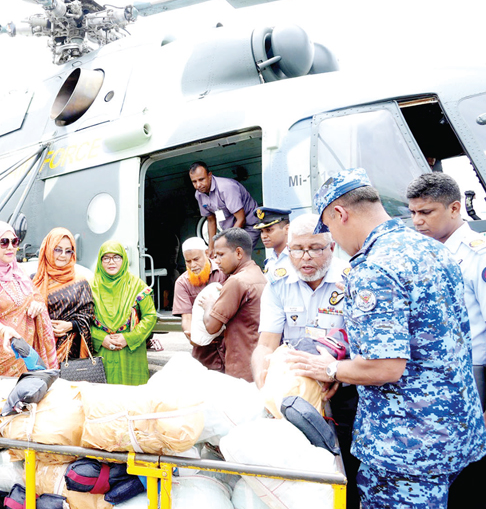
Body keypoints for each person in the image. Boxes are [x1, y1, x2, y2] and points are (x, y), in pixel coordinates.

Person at [288, 168, 486, 507]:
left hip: (405, 445)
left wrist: (331, 370)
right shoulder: (434, 249)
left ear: (340, 213)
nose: (334, 239)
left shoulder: (374, 269)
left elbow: (385, 367)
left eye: (330, 227)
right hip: (454, 430)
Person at [251, 213, 359, 508]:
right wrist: (264, 374)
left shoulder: (352, 280)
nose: (305, 257)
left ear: (332, 247)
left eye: (315, 248)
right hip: (295, 393)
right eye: (297, 249)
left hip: (344, 389)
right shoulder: (278, 283)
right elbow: (266, 344)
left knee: (347, 468)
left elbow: (364, 346)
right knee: (300, 469)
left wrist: (335, 372)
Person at [405, 172, 486, 507]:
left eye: (426, 212)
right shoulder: (424, 255)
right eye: (413, 213)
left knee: (472, 469)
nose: (417, 221)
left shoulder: (477, 255)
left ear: (455, 208)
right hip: (433, 382)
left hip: (474, 374)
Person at [0, 220, 57, 376]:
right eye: (4, 242)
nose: (11, 247)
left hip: (19, 354)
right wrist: (4, 331)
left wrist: (36, 305)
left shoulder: (16, 270)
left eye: (14, 241)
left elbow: (35, 296)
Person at [201, 228, 266, 380]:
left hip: (242, 367)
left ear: (238, 253)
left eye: (221, 254)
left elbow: (211, 326)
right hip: (259, 363)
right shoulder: (259, 274)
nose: (216, 260)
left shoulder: (236, 281)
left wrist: (209, 304)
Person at [90, 241, 157, 385]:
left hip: (131, 354)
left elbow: (150, 316)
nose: (111, 262)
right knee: (103, 400)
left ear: (124, 259)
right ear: (100, 261)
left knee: (131, 400)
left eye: (116, 257)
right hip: (102, 351)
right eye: (106, 258)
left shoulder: (137, 285)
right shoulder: (90, 287)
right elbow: (83, 320)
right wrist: (101, 338)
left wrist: (129, 338)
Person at [32, 227, 95, 362]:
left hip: (69, 352)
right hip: (38, 347)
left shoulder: (80, 282)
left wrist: (70, 325)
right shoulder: (34, 280)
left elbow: (88, 315)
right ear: (48, 249)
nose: (63, 255)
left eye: (68, 251)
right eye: (58, 249)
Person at [171, 237, 228, 370]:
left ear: (207, 253)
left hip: (229, 342)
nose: (192, 265)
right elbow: (187, 318)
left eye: (196, 259)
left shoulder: (224, 272)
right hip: (203, 349)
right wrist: (190, 333)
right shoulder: (182, 283)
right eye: (188, 261)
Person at [188, 161, 260, 254]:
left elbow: (241, 219)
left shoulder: (226, 187)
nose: (198, 185)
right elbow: (211, 220)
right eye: (194, 181)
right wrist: (211, 248)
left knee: (236, 258)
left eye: (201, 179)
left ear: (210, 175)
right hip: (230, 230)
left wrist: (227, 243)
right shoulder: (199, 195)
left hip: (249, 226)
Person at [253, 206, 292, 281]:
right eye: (262, 231)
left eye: (269, 230)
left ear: (287, 229)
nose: (264, 236)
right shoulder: (270, 260)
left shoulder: (296, 256)